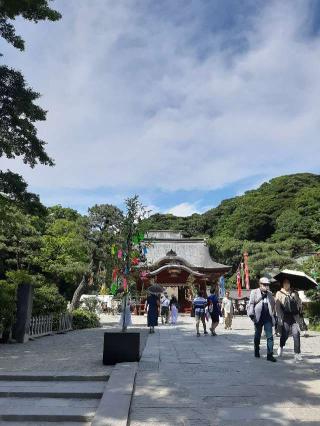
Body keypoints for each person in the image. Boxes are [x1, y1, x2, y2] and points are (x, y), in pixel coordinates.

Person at [247, 277, 277, 362]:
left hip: (268, 317)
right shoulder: (254, 292)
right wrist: (251, 314)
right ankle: (256, 349)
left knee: (270, 336)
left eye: (267, 284)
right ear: (260, 284)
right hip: (258, 316)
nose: (266, 286)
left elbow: (273, 305)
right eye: (264, 284)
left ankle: (270, 354)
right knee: (257, 335)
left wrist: (275, 316)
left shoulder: (270, 294)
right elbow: (251, 303)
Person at [275, 278, 303, 362]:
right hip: (285, 316)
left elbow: (299, 304)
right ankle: (281, 346)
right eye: (285, 283)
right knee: (285, 333)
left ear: (290, 284)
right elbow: (277, 306)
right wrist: (279, 317)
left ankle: (297, 353)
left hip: (294, 317)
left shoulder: (295, 292)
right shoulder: (279, 293)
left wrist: (295, 297)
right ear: (283, 284)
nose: (287, 284)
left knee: (296, 334)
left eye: (288, 283)